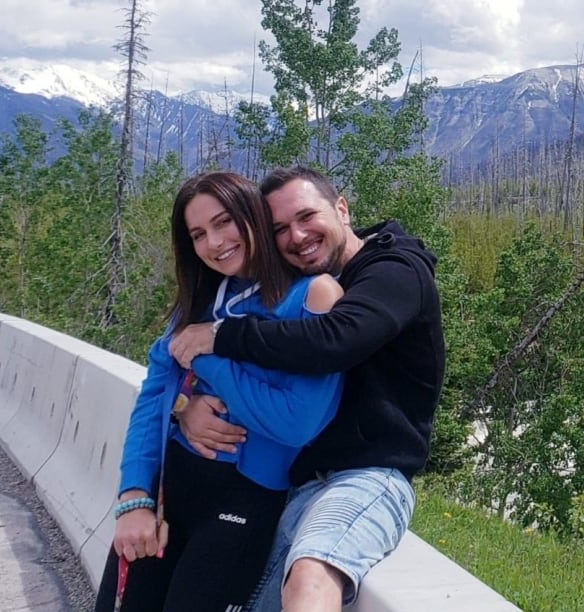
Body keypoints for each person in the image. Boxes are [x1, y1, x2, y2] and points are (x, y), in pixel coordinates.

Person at [169, 166, 446, 611]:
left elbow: (334, 340)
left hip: (366, 477)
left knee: (312, 573)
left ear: (341, 208)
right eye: (279, 228)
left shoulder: (394, 271)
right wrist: (184, 406)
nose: (296, 236)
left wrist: (220, 336)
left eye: (307, 216)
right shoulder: (285, 291)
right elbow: (250, 382)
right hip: (292, 483)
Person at [93, 171, 344, 612]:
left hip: (243, 504)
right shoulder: (203, 299)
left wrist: (207, 356)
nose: (214, 242)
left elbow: (296, 421)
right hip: (169, 493)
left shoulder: (312, 297)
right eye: (198, 234)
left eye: (224, 221)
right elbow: (153, 399)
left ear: (253, 215)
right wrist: (134, 496)